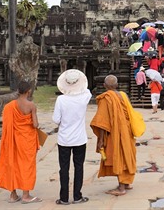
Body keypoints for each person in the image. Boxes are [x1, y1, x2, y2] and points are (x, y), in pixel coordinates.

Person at [0, 80, 42, 204]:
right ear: (28, 91)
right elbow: (35, 124)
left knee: (12, 163)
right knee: (27, 165)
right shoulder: (31, 106)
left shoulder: (9, 106)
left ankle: (13, 194)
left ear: (18, 91)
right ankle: (26, 195)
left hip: (13, 140)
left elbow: (6, 125)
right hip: (27, 140)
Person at [90, 75, 137, 196]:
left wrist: (100, 140)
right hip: (127, 130)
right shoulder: (123, 95)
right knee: (126, 154)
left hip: (115, 132)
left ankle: (121, 188)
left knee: (118, 155)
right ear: (117, 85)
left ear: (104, 86)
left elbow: (102, 122)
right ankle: (126, 182)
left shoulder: (106, 98)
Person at [52, 69, 92, 205]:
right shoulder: (84, 97)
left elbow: (56, 120)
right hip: (80, 139)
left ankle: (63, 198)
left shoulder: (61, 100)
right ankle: (77, 196)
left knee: (64, 168)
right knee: (78, 167)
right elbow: (87, 91)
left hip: (64, 139)